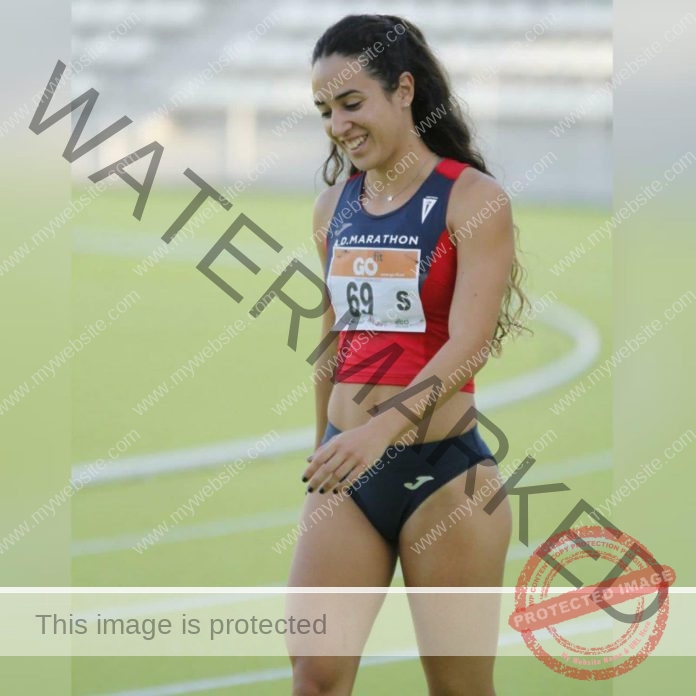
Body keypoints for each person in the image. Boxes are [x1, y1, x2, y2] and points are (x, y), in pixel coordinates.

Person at [287, 14, 529, 696]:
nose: (337, 124)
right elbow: (334, 339)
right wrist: (326, 449)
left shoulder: (474, 200)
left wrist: (379, 431)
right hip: (346, 470)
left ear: (403, 90)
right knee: (317, 674)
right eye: (325, 110)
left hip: (446, 478)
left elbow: (469, 341)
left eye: (351, 102)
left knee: (456, 688)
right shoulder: (331, 206)